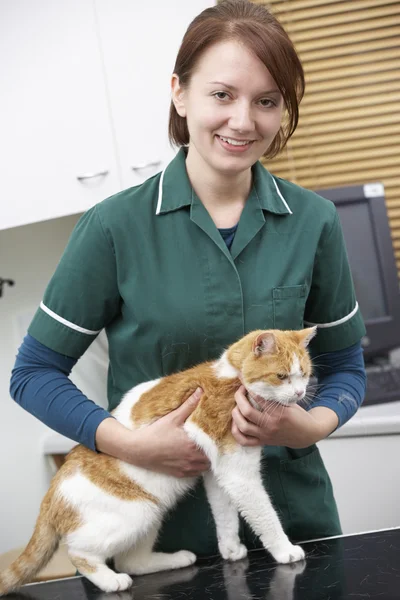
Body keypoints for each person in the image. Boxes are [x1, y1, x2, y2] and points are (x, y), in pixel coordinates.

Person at [10, 0, 366, 555]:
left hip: (294, 518)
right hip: (160, 527)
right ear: (180, 92)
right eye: (222, 94)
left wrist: (311, 426)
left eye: (267, 101)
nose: (244, 121)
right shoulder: (112, 227)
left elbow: (347, 366)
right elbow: (32, 374)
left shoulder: (314, 222)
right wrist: (127, 442)